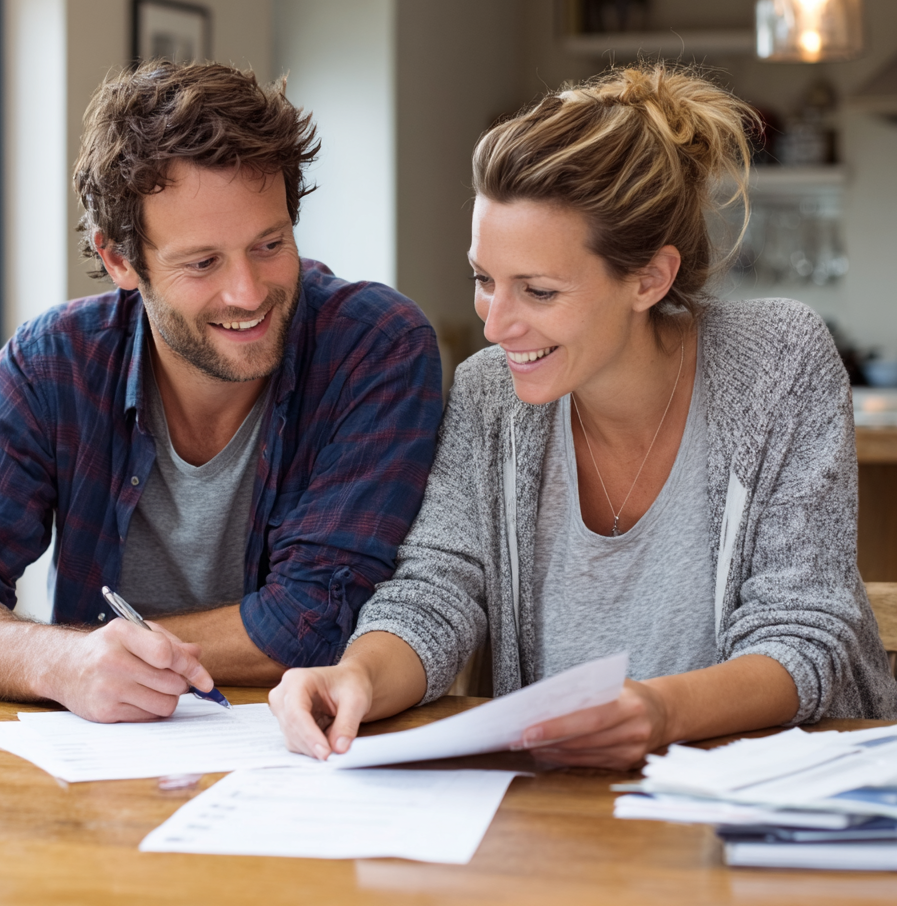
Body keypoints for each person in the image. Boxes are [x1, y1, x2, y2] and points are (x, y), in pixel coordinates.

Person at [269, 64, 897, 769]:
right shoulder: (488, 398)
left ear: (649, 279)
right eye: (484, 280)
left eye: (537, 291)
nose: (496, 324)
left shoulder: (778, 361)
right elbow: (434, 592)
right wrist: (356, 675)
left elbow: (806, 632)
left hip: (788, 802)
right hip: (570, 810)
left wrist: (660, 712)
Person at [0, 61, 443, 722]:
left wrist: (107, 654)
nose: (248, 293)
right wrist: (60, 664)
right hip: (102, 772)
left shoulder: (374, 348)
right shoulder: (54, 361)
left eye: (269, 243)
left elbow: (311, 620)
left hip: (312, 762)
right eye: (203, 262)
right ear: (118, 259)